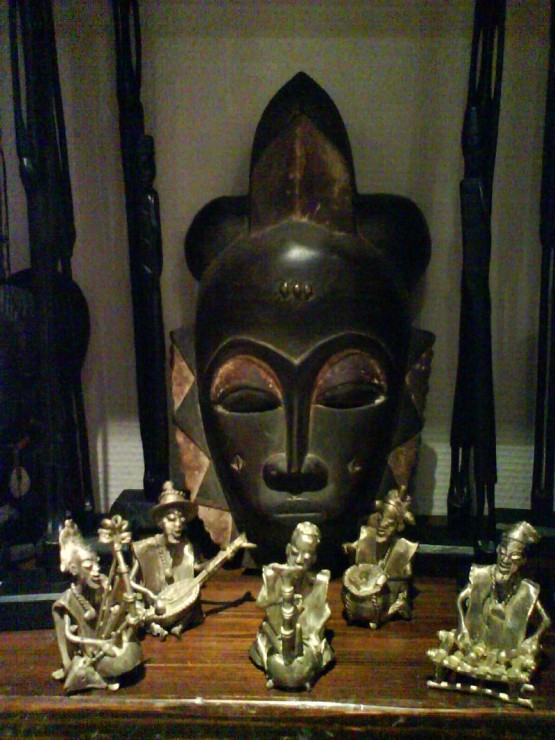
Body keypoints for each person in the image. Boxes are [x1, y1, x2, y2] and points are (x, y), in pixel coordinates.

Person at [428, 521, 551, 705]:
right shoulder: (482, 574)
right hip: (475, 642)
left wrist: (534, 638)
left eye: (514, 556)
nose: (505, 561)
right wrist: (463, 626)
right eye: (502, 553)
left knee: (524, 653)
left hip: (504, 651)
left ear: (523, 560)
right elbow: (460, 599)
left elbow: (546, 620)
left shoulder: (527, 590)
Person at [52, 519, 143, 693]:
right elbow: (70, 636)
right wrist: (99, 644)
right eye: (89, 566)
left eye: (97, 564)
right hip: (93, 650)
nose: (96, 570)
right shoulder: (67, 601)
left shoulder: (102, 585)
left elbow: (116, 604)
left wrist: (120, 610)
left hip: (107, 642)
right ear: (74, 568)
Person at [250, 522, 333, 690]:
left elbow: (322, 616)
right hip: (277, 641)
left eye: (307, 556)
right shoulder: (273, 577)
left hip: (306, 646)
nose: (300, 560)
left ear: (314, 558)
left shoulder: (319, 584)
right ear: (288, 550)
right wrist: (277, 598)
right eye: (295, 553)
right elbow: (261, 603)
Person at [131, 481, 202, 639]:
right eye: (171, 519)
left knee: (194, 604)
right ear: (160, 521)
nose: (178, 525)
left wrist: (223, 555)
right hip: (154, 606)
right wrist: (148, 594)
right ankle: (156, 627)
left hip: (179, 605)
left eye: (181, 521)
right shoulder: (144, 548)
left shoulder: (186, 546)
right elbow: (130, 582)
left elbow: (198, 568)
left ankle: (180, 625)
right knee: (136, 609)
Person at [342, 488, 417, 627]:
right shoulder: (368, 537)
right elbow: (356, 548)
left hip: (387, 596)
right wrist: (351, 549)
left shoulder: (403, 549)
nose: (382, 526)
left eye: (389, 524)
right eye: (380, 519)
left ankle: (384, 614)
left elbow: (406, 575)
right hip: (363, 591)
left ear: (399, 526)